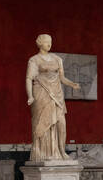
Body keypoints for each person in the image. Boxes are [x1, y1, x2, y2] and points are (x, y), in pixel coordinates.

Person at [25, 33, 80, 162]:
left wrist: (72, 84)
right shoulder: (34, 60)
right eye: (46, 41)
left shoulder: (57, 59)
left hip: (57, 94)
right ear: (40, 43)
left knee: (61, 123)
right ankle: (42, 153)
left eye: (50, 41)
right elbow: (29, 78)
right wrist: (30, 96)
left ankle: (61, 151)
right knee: (43, 123)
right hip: (41, 93)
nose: (49, 44)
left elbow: (61, 78)